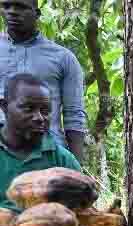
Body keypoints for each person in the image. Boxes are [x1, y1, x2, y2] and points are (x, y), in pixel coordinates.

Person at [0, 0, 86, 160]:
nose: (11, 12)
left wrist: (76, 168)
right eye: (6, 6)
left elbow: (74, 116)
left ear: (37, 14)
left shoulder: (63, 58)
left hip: (47, 154)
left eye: (20, 7)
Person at [0, 73, 81, 212]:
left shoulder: (62, 160)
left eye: (45, 111)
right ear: (4, 107)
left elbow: (83, 209)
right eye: (28, 109)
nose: (39, 118)